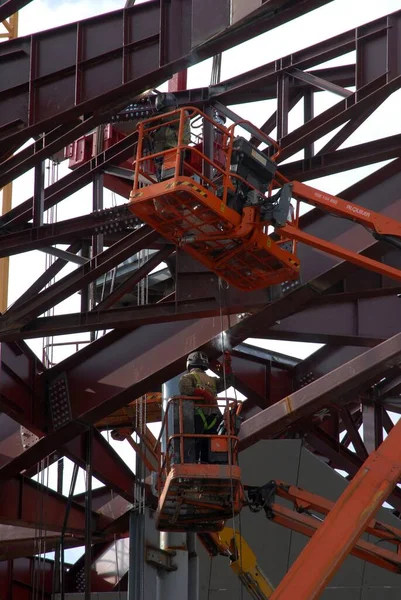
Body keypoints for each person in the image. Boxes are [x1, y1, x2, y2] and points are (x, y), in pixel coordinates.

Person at [179, 351, 233, 463]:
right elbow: (227, 382)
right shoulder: (212, 380)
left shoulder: (187, 377)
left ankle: (194, 464)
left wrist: (201, 393)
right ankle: (207, 463)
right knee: (209, 447)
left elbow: (185, 389)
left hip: (197, 417)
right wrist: (227, 367)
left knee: (195, 446)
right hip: (213, 417)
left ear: (190, 363)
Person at [152, 93, 191, 180]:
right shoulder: (162, 125)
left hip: (175, 150)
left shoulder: (182, 113)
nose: (165, 113)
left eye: (166, 110)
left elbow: (172, 119)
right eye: (163, 111)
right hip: (162, 156)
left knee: (170, 176)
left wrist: (157, 118)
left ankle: (168, 176)